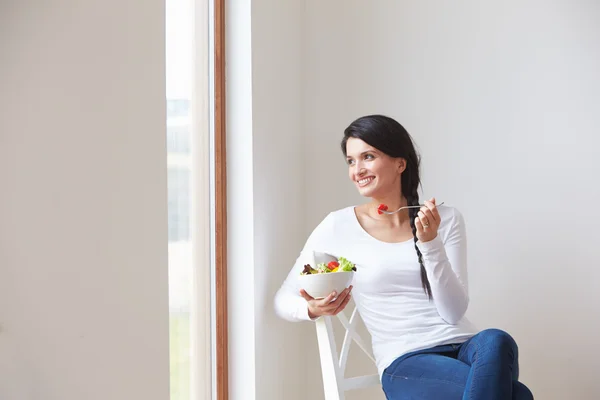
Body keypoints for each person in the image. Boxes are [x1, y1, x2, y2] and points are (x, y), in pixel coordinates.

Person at [274, 115, 533, 399]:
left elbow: (453, 312)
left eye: (368, 157)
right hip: (406, 361)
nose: (357, 170)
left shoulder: (444, 220)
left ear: (400, 163)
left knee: (497, 339)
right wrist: (312, 309)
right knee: (517, 395)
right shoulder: (338, 226)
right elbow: (284, 300)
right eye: (351, 161)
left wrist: (430, 242)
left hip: (465, 346)